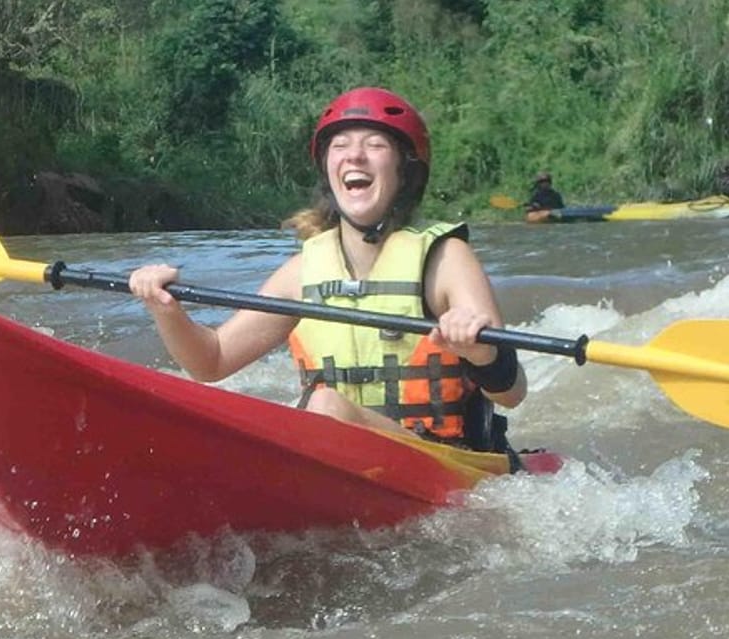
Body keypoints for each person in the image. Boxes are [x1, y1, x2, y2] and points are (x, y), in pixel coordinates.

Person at [129, 87, 527, 459]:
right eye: (340, 146)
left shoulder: (446, 259)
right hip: (338, 449)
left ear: (405, 172)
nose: (355, 156)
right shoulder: (303, 271)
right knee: (318, 410)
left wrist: (478, 348)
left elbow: (512, 392)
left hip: (442, 458)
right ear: (328, 169)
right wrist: (164, 309)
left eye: (375, 145)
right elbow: (210, 362)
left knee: (325, 405)